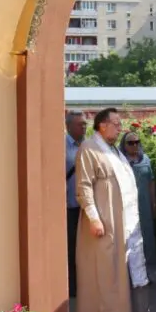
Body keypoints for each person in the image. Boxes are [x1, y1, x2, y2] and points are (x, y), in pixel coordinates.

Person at [74, 108, 150, 312]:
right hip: (105, 218)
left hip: (122, 219)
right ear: (102, 125)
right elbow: (84, 185)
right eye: (116, 124)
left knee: (123, 266)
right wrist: (94, 218)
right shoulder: (89, 148)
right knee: (106, 268)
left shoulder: (114, 150)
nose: (120, 128)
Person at [120, 131, 156, 264]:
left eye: (137, 142)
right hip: (127, 204)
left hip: (144, 202)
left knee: (146, 230)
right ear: (124, 145)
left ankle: (148, 262)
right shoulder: (120, 161)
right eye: (130, 143)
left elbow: (151, 181)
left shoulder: (145, 159)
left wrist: (153, 203)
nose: (134, 145)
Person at [65, 111, 87, 298]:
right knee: (71, 248)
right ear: (69, 126)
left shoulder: (89, 146)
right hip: (70, 206)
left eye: (85, 124)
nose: (84, 127)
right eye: (80, 124)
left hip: (87, 207)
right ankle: (72, 286)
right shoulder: (61, 147)